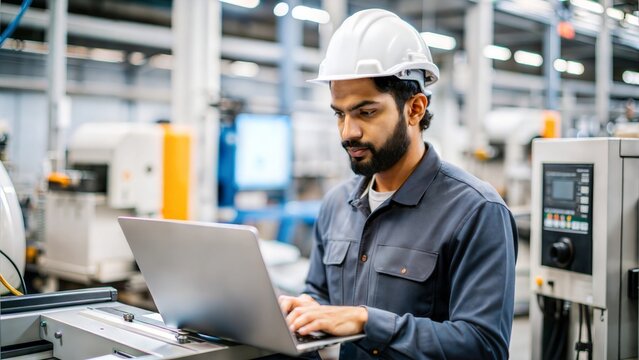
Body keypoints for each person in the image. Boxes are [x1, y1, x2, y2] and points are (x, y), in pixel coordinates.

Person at [278, 8, 518, 359]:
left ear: (415, 109)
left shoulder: (476, 211)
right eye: (339, 114)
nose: (348, 132)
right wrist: (302, 312)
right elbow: (320, 295)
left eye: (366, 112)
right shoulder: (336, 204)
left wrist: (365, 322)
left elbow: (484, 346)